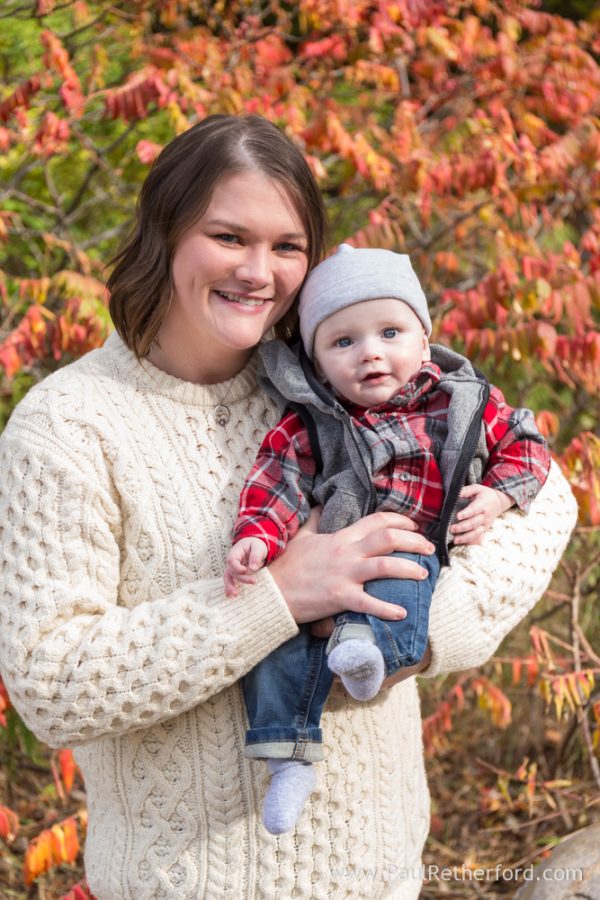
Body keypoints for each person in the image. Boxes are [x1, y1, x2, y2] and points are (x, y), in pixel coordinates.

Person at [0, 114, 576, 900]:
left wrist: (434, 619)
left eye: (287, 246)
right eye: (229, 236)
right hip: (183, 885)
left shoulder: (343, 375)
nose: (258, 271)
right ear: (164, 231)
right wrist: (275, 599)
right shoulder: (70, 423)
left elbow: (548, 493)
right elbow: (50, 682)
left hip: (377, 874)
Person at [224, 243, 551, 834]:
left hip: (412, 547)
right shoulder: (311, 419)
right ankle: (287, 757)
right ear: (318, 363)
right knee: (276, 644)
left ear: (424, 341)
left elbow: (527, 444)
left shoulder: (461, 402)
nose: (370, 352)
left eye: (390, 332)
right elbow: (276, 482)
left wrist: (501, 495)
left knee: (400, 566)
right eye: (343, 341)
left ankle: (367, 653)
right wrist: (256, 538)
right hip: (326, 560)